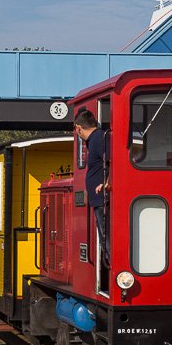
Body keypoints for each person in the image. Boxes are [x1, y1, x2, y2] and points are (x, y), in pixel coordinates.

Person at [74, 109, 110, 269]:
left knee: (107, 238)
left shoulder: (98, 139)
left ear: (78, 128)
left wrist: (107, 182)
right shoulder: (96, 140)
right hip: (99, 200)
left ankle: (113, 269)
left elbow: (114, 161)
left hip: (103, 200)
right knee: (104, 237)